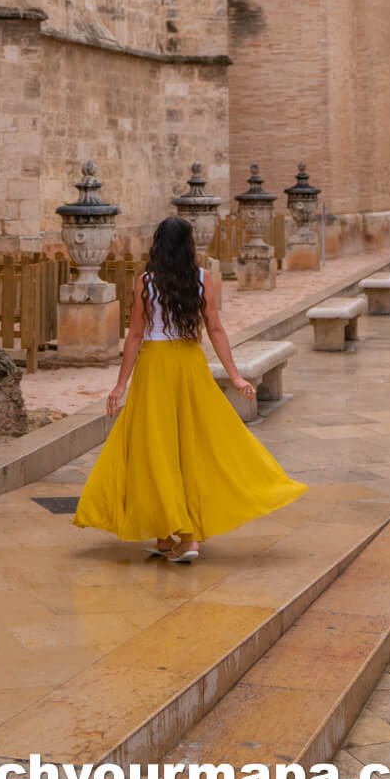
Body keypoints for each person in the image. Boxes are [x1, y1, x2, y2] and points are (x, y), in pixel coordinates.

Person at [73, 216, 305, 562]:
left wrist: (120, 385)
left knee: (154, 447)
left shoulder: (146, 282)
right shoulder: (201, 279)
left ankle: (186, 536)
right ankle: (169, 537)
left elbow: (135, 335)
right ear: (187, 245)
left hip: (154, 367)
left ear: (158, 245)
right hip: (189, 364)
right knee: (191, 445)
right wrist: (235, 375)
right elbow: (215, 328)